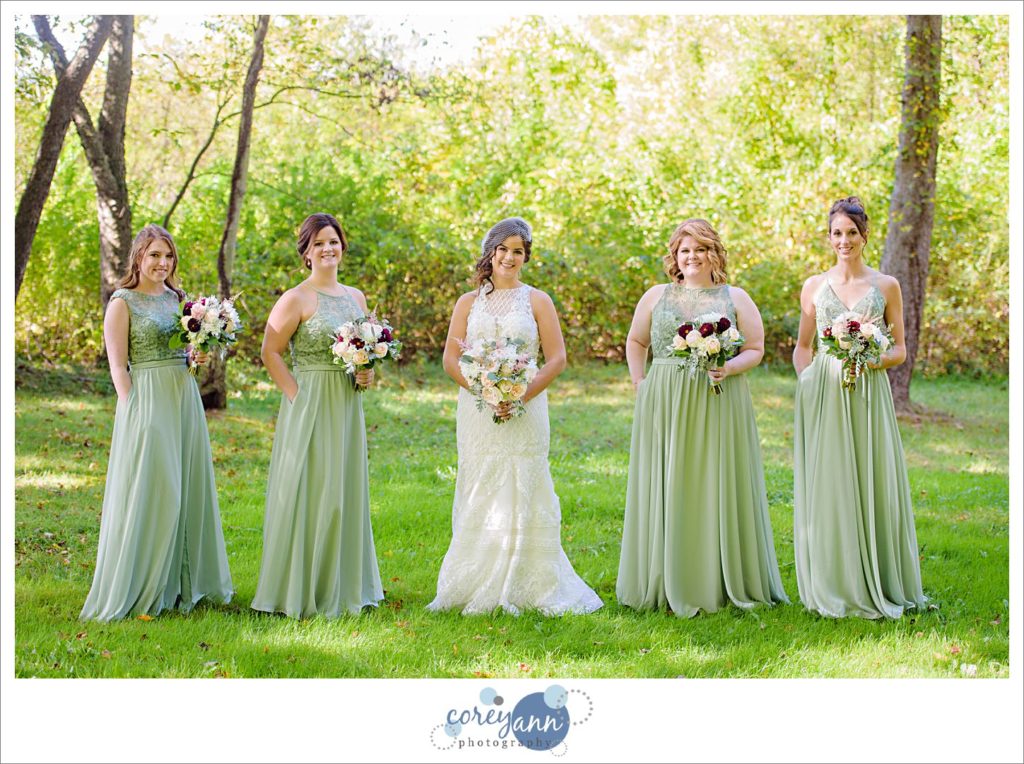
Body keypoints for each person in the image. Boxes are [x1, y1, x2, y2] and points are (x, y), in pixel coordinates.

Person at [427, 217, 603, 616]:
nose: (509, 257)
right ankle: (473, 580)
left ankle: (533, 584)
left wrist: (520, 393)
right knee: (481, 483)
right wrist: (485, 392)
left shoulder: (537, 300)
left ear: (526, 257)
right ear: (490, 252)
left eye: (518, 251)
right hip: (477, 409)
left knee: (527, 484)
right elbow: (450, 360)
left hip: (527, 407)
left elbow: (557, 359)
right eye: (502, 249)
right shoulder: (467, 303)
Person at [617, 218, 788, 617]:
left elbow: (757, 348)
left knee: (713, 482)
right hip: (665, 399)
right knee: (667, 479)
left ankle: (714, 576)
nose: (692, 257)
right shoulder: (656, 296)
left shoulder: (736, 297)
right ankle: (662, 576)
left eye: (700, 249)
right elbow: (636, 340)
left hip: (717, 399)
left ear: (715, 253)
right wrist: (640, 381)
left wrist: (729, 367)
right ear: (675, 257)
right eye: (684, 250)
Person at [80, 224, 233, 621]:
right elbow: (117, 365)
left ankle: (182, 584)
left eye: (167, 257)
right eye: (154, 256)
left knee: (186, 488)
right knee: (156, 488)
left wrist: (194, 359)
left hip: (182, 398)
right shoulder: (122, 302)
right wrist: (135, 410)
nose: (162, 263)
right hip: (146, 402)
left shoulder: (179, 300)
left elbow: (183, 351)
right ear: (138, 258)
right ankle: (142, 585)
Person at [792, 196, 926, 618]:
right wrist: (807, 382)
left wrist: (871, 358)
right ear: (828, 237)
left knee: (869, 480)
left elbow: (900, 349)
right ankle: (833, 579)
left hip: (869, 395)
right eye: (837, 233)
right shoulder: (814, 286)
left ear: (864, 235)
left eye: (852, 232)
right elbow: (802, 347)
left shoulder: (886, 286)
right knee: (830, 482)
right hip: (826, 396)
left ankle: (877, 578)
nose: (844, 240)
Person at [251, 213, 384, 618]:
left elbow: (365, 351)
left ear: (342, 246)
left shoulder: (357, 297)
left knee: (343, 492)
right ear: (306, 253)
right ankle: (299, 588)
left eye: (334, 241)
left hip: (345, 403)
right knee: (311, 491)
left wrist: (367, 372)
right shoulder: (295, 298)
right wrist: (296, 395)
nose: (328, 249)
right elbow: (269, 352)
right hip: (309, 402)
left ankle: (343, 585)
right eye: (319, 243)